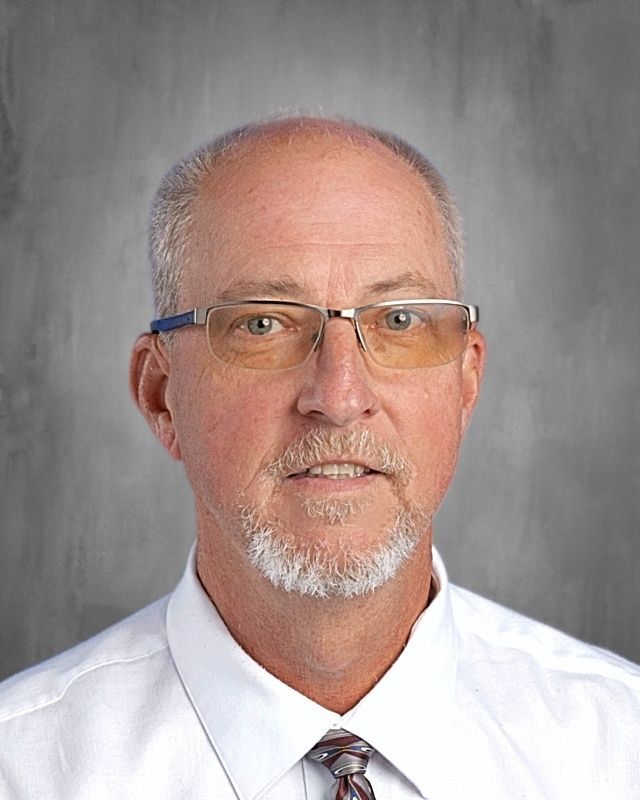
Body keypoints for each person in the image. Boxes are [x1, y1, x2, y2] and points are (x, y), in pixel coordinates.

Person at [0, 117, 638, 800]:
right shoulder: (23, 769)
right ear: (161, 394)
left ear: (466, 381)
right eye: (263, 323)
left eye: (398, 321)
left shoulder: (618, 747)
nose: (339, 396)